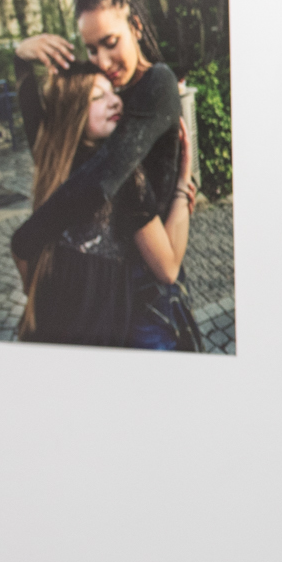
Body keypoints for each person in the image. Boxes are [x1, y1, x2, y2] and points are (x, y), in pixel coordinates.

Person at [10, 63, 200, 349]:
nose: (115, 101)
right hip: (106, 335)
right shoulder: (120, 178)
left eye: (113, 92)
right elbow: (168, 268)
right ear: (72, 111)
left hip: (49, 331)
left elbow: (22, 253)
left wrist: (22, 58)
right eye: (97, 97)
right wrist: (183, 183)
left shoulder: (54, 165)